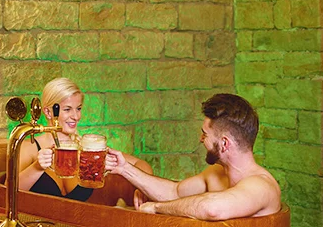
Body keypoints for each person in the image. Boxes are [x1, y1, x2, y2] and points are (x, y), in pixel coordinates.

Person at [105, 93, 281, 219]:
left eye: (205, 134)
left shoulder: (260, 186)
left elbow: (212, 208)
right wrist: (124, 168)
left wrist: (157, 208)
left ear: (224, 143)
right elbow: (174, 192)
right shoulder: (215, 174)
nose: (201, 139)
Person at [18, 77, 147, 201]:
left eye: (78, 108)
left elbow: (141, 164)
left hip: (79, 216)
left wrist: (142, 189)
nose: (76, 116)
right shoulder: (30, 147)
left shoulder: (88, 148)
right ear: (48, 112)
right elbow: (9, 193)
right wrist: (37, 167)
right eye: (67, 109)